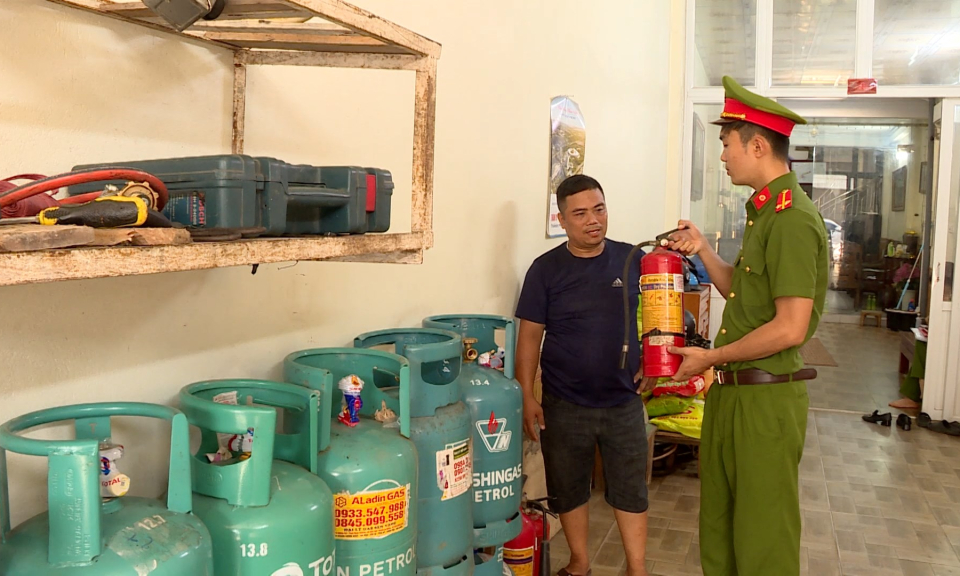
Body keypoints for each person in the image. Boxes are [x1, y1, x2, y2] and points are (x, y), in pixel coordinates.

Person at [666, 76, 829, 576]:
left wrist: (711, 357)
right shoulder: (764, 214)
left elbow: (790, 328)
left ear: (757, 145)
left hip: (765, 400)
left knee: (762, 539)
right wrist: (705, 251)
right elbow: (744, 290)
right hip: (733, 394)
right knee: (719, 528)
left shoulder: (793, 220)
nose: (722, 157)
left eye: (725, 145)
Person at [515, 174, 654, 576]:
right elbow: (529, 340)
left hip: (624, 399)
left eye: (599, 209)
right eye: (580, 213)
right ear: (561, 220)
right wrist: (527, 395)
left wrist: (656, 360)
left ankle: (637, 569)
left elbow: (660, 315)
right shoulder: (545, 270)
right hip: (564, 402)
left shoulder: (633, 260)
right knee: (569, 488)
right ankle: (579, 561)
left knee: (630, 490)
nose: (593, 220)